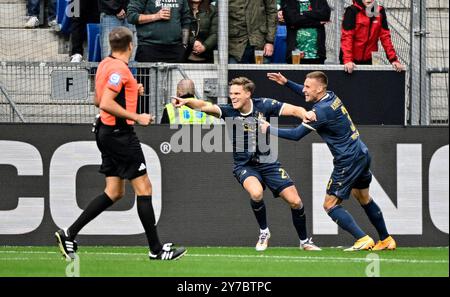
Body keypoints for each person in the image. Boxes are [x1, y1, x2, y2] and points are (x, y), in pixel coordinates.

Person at [55, 27, 187, 261]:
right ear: (131, 45)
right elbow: (105, 102)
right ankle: (156, 250)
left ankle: (69, 233)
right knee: (144, 188)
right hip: (119, 134)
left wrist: (131, 91)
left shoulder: (105, 64)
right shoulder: (120, 69)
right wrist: (138, 117)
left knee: (114, 192)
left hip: (105, 131)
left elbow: (98, 99)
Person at [172, 77, 321, 251]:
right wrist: (186, 101)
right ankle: (264, 232)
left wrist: (306, 114)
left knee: (295, 202)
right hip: (245, 166)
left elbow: (295, 109)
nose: (232, 97)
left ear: (248, 94)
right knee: (256, 193)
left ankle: (305, 242)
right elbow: (204, 106)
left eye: (237, 93)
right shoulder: (228, 111)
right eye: (230, 94)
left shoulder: (264, 105)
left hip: (269, 164)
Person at [261, 71, 397, 251]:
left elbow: (296, 135)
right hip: (361, 153)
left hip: (348, 159)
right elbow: (304, 91)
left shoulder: (321, 111)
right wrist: (286, 82)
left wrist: (269, 128)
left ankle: (362, 239)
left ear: (319, 88)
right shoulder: (331, 96)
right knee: (363, 197)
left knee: (330, 205)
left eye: (308, 87)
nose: (304, 90)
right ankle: (386, 239)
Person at [340, 0, 404, 73]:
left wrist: (393, 60)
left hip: (369, 59)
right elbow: (347, 37)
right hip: (350, 60)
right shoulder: (352, 11)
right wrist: (348, 60)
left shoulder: (379, 11)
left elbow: (385, 37)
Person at [127, 0, 191, 63]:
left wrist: (184, 45)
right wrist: (156, 16)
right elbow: (131, 16)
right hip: (149, 47)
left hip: (176, 49)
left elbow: (186, 20)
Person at [282, 0, 330, 64]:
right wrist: (318, 22)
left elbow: (325, 15)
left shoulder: (320, 1)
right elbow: (292, 20)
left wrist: (303, 13)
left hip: (317, 55)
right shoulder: (289, 1)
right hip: (295, 55)